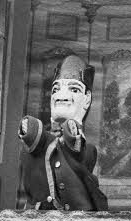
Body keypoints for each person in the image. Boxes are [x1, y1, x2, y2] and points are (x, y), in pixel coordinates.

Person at [17, 54, 109, 212]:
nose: (61, 96)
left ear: (87, 99)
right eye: (56, 89)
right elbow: (35, 143)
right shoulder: (37, 141)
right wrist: (29, 129)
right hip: (38, 218)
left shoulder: (88, 150)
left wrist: (71, 133)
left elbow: (79, 155)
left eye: (74, 89)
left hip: (76, 218)